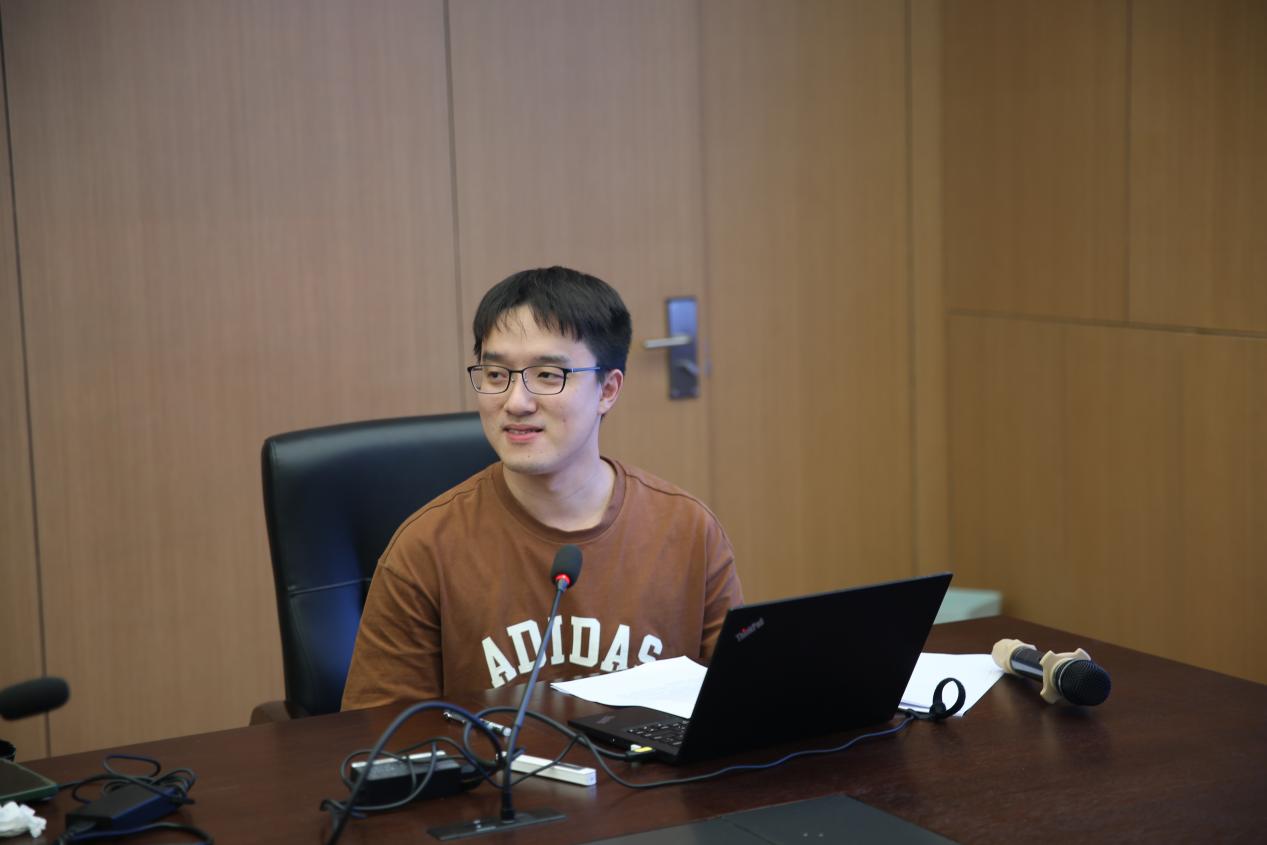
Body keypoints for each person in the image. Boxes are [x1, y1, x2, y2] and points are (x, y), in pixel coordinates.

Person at [341, 266, 743, 709]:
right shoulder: (425, 549)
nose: (516, 402)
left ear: (607, 390)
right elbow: (380, 733)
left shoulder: (686, 530)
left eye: (549, 375)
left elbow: (739, 706)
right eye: (496, 375)